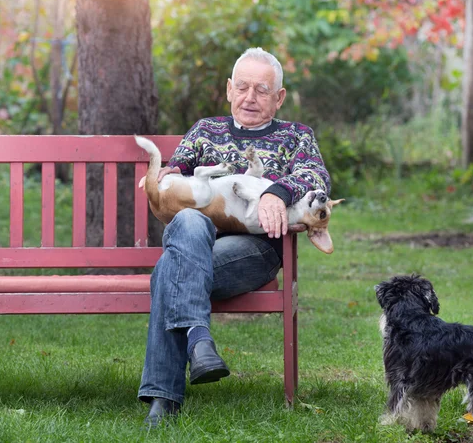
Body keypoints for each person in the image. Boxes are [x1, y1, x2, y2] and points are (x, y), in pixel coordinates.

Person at [138, 47, 331, 427]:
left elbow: (315, 179)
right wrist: (163, 176)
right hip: (197, 236)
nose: (250, 97)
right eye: (242, 87)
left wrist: (278, 192)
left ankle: (163, 398)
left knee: (169, 271)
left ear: (279, 97)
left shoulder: (297, 137)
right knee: (189, 223)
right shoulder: (205, 130)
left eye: (262, 90)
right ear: (229, 89)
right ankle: (200, 343)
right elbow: (176, 169)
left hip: (253, 249)